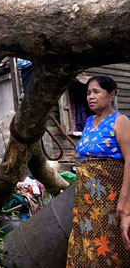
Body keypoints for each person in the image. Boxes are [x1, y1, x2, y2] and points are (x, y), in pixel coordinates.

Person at [66, 76, 130, 267]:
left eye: (96, 92)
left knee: (108, 245)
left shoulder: (120, 121)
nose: (90, 97)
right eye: (88, 93)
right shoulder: (89, 122)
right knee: (86, 243)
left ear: (112, 95)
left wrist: (125, 204)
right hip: (86, 201)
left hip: (109, 199)